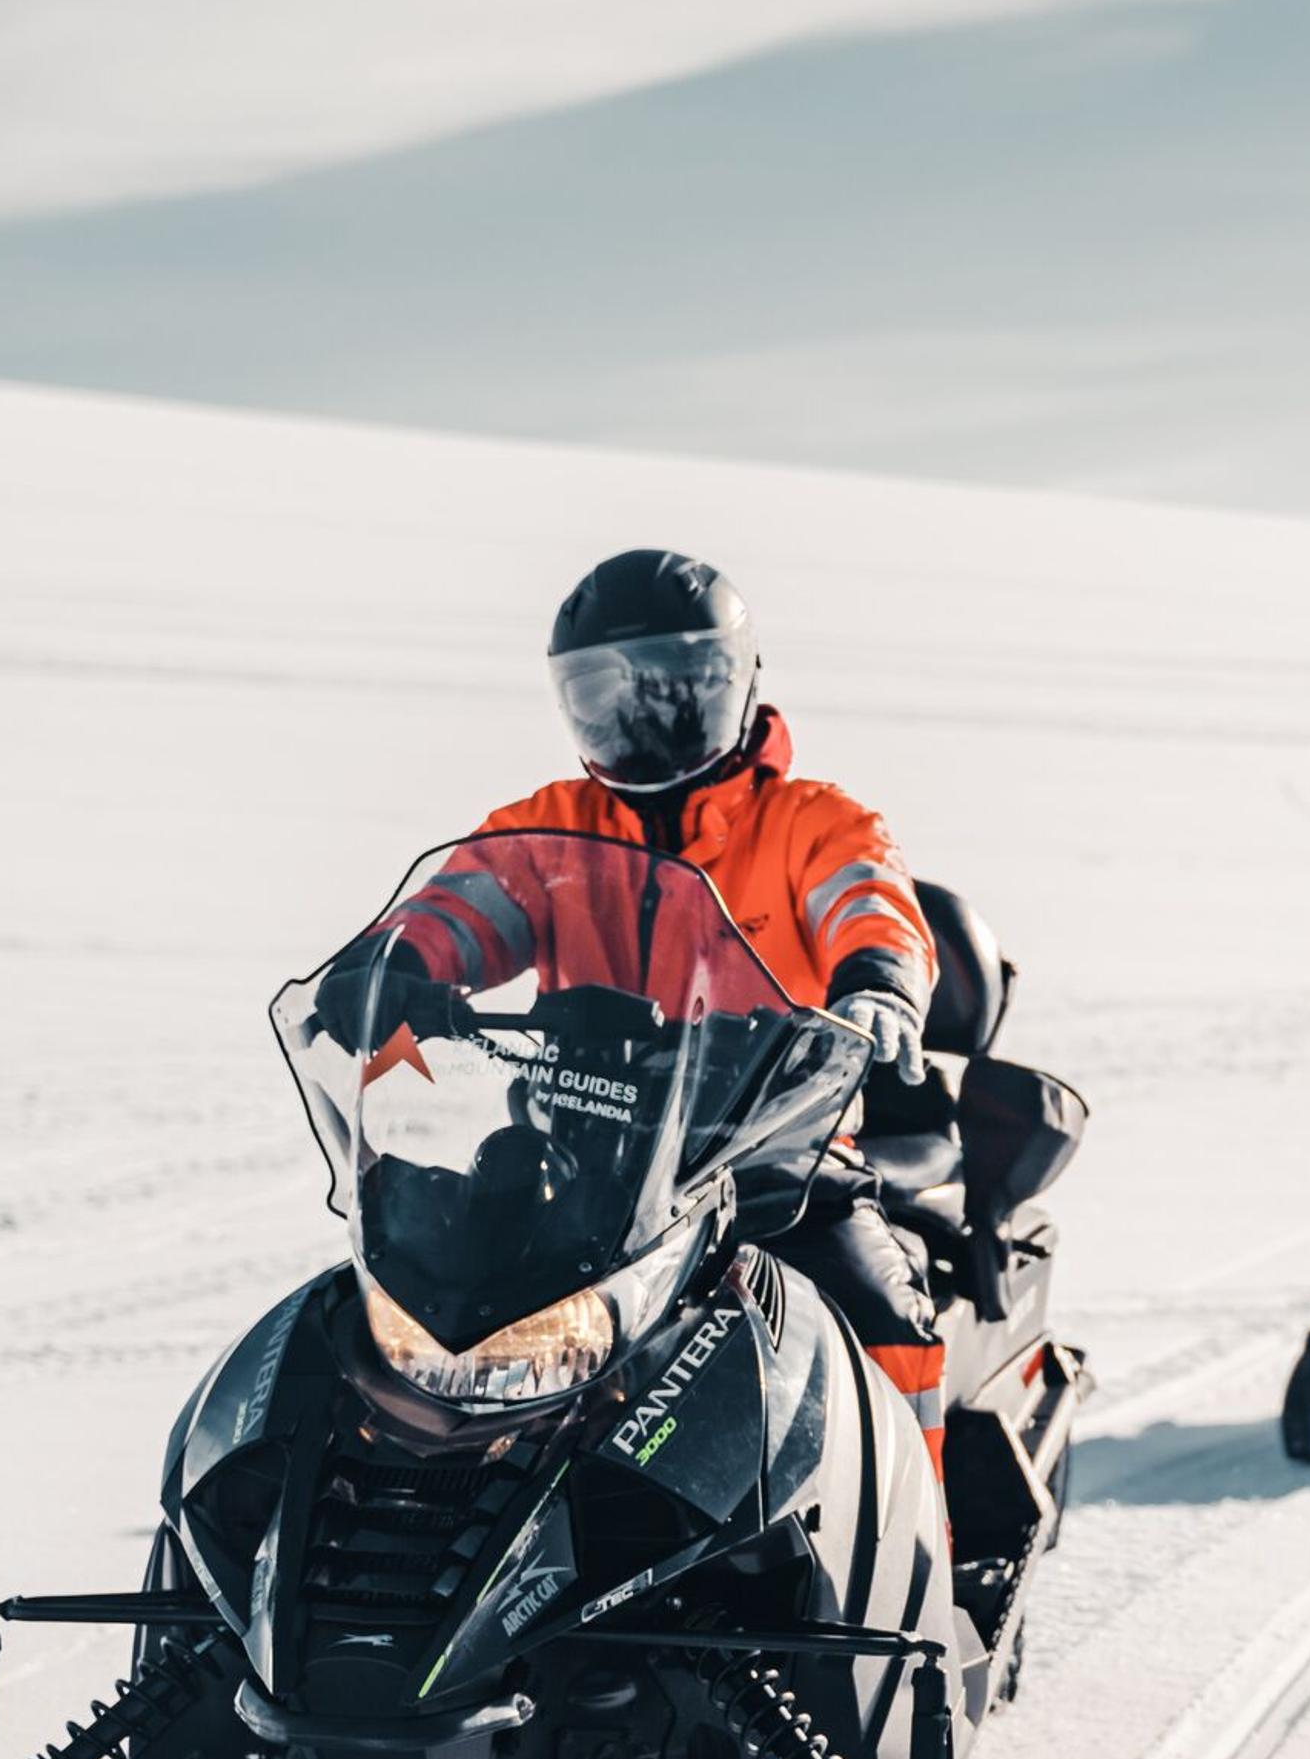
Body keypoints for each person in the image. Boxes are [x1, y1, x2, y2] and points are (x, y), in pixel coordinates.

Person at [337, 550, 965, 1471]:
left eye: (674, 683)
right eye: (605, 690)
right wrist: (386, 971)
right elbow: (458, 911)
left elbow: (867, 904)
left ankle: (914, 1563)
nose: (641, 713)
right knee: (411, 1296)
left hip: (775, 1168)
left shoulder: (812, 822)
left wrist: (876, 984)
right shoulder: (546, 830)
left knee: (875, 1308)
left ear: (732, 680)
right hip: (582, 1165)